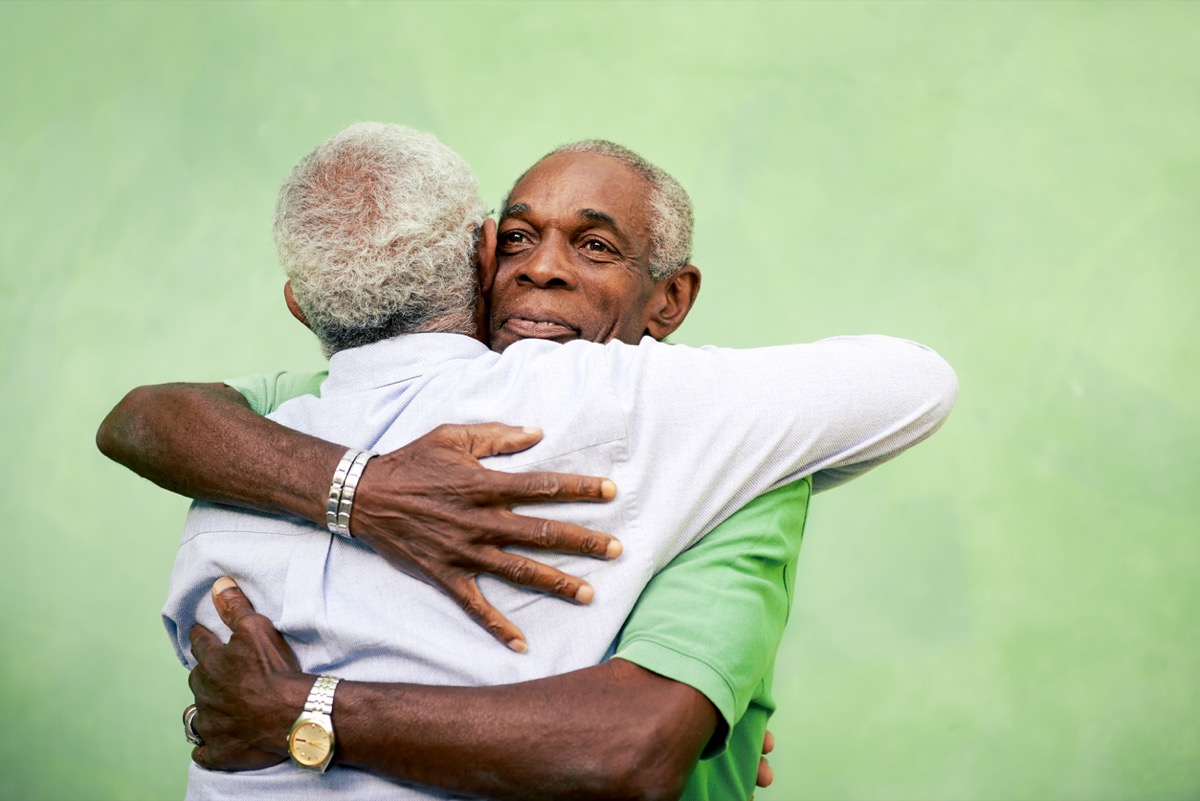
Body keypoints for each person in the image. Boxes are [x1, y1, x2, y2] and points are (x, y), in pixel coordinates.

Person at [101, 124, 957, 800]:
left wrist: (297, 710)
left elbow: (630, 747)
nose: (541, 269)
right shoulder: (311, 413)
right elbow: (149, 416)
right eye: (518, 237)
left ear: (671, 298)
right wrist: (362, 488)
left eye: (594, 246)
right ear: (478, 259)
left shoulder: (724, 452)